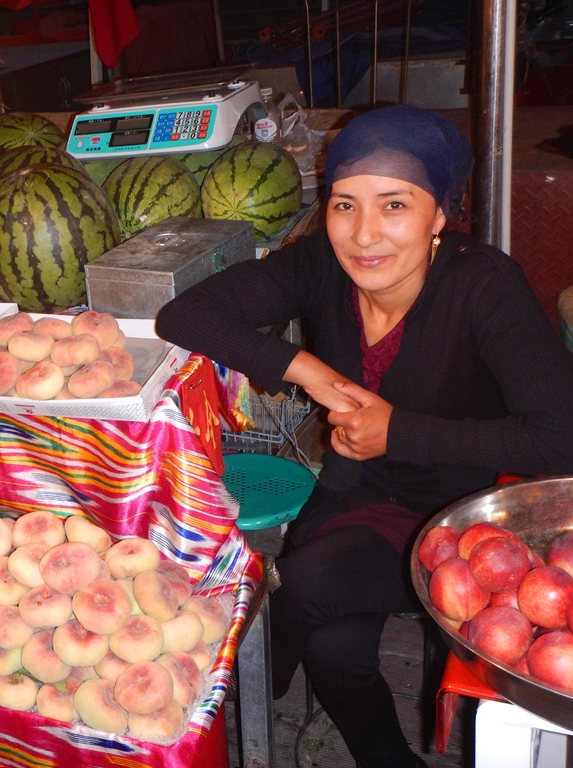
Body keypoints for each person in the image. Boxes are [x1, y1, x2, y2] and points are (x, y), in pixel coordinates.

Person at [155, 104, 573, 768]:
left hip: (457, 518)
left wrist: (398, 432)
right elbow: (186, 312)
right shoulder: (322, 262)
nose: (364, 234)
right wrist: (309, 372)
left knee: (302, 582)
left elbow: (560, 437)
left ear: (440, 215)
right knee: (333, 646)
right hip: (356, 487)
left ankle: (231, 692)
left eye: (395, 205)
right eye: (345, 204)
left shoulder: (483, 286)